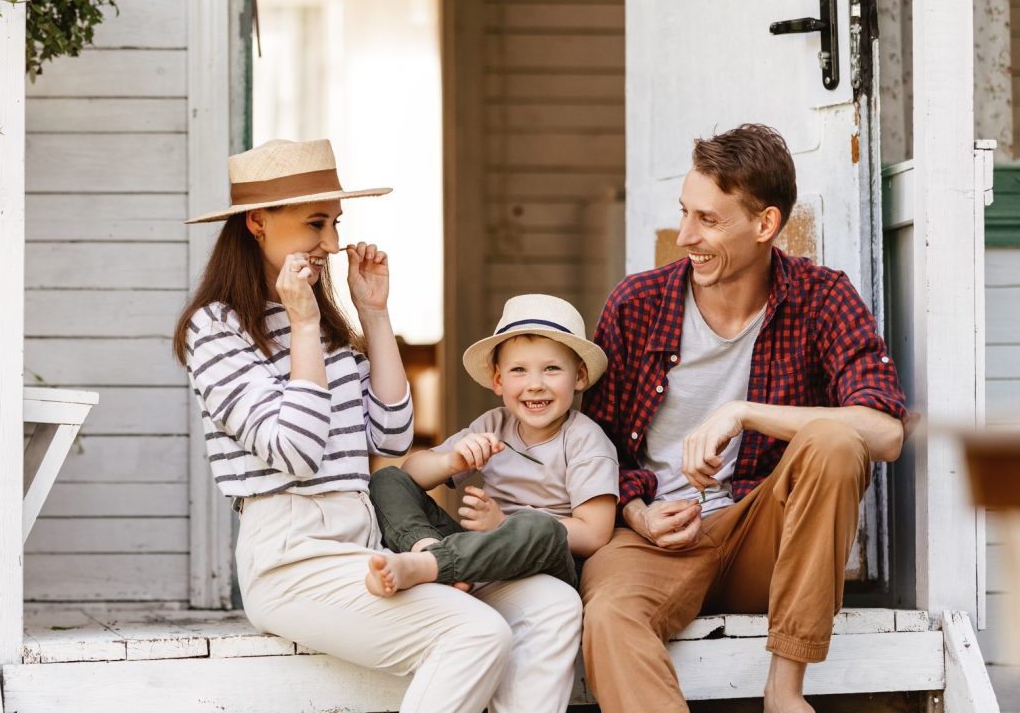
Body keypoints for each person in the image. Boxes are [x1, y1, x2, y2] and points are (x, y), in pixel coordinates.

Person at [175, 138, 582, 713]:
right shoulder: (215, 328)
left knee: (552, 605)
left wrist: (374, 312)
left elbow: (390, 435)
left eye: (336, 223)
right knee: (475, 632)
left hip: (367, 540)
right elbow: (294, 448)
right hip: (294, 559)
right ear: (258, 222)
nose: (333, 244)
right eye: (316, 224)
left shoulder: (325, 326)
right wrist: (303, 324)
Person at [577, 124, 908, 713]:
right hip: (656, 539)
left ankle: (783, 690)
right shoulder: (637, 304)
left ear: (765, 224)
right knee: (607, 614)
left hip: (764, 540)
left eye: (707, 220)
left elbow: (884, 432)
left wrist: (743, 413)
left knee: (835, 440)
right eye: (684, 213)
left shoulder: (821, 297)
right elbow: (596, 448)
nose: (684, 236)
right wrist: (639, 512)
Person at [365, 294, 619, 597]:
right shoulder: (493, 425)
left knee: (541, 527)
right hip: (477, 552)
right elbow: (412, 472)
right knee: (387, 479)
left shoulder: (585, 440)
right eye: (518, 370)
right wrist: (452, 462)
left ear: (579, 376)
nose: (535, 383)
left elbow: (595, 533)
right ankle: (429, 552)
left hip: (545, 560)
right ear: (498, 380)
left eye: (551, 369)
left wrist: (502, 524)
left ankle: (432, 565)